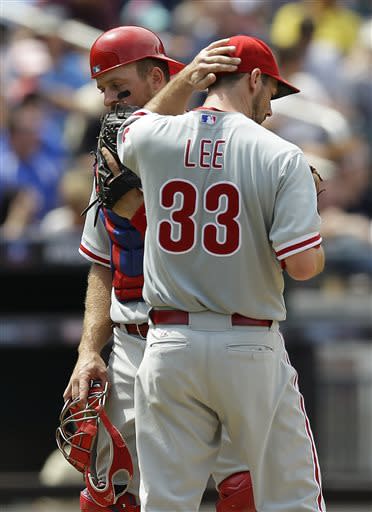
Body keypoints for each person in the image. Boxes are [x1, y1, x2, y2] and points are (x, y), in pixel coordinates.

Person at [117, 34, 326, 511]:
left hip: (168, 346)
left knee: (166, 503)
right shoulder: (281, 155)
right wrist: (307, 219)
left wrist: (187, 79)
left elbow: (129, 129)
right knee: (291, 500)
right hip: (248, 345)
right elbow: (303, 265)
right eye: (271, 91)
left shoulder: (152, 137)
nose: (270, 107)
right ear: (254, 79)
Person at [63, 25, 255, 512]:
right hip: (132, 339)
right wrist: (89, 350)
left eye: (118, 86)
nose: (108, 99)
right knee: (109, 494)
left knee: (245, 489)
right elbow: (103, 264)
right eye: (101, 90)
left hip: (209, 334)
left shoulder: (214, 141)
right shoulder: (110, 158)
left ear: (156, 75)